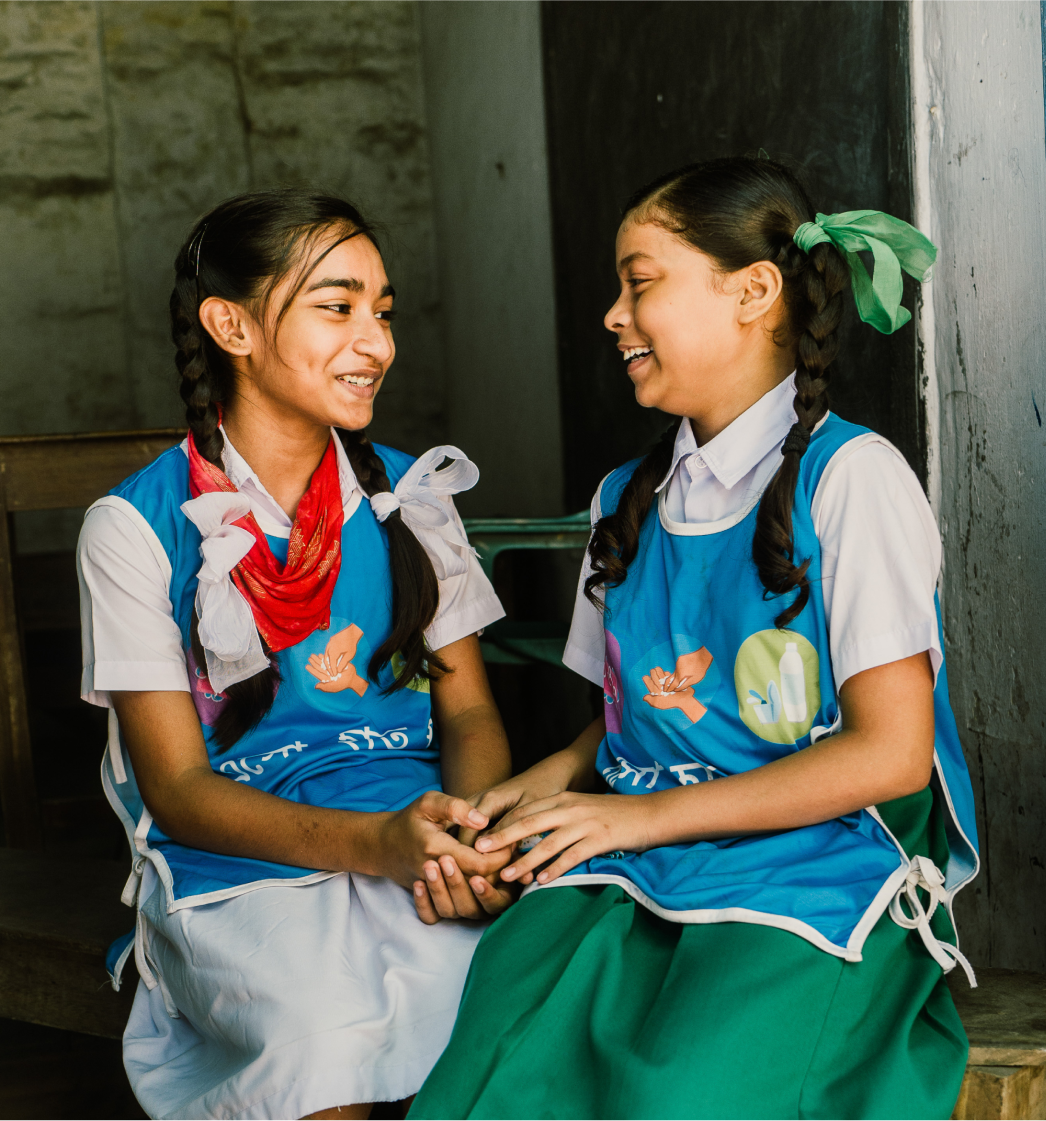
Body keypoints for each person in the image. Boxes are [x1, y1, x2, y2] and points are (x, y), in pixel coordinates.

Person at [409, 157, 980, 1121]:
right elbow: (624, 728)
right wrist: (523, 797)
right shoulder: (623, 503)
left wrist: (632, 819)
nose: (613, 315)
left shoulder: (852, 478)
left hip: (813, 869)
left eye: (640, 283)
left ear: (754, 292)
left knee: (678, 1093)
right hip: (644, 863)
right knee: (496, 1070)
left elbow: (890, 754)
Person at [78, 189, 516, 1121]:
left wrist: (466, 839)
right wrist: (377, 848)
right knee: (317, 1039)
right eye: (337, 305)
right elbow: (180, 793)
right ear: (230, 325)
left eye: (383, 311)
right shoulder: (135, 529)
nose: (377, 343)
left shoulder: (411, 495)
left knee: (514, 1002)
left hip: (420, 837)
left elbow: (468, 710)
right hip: (242, 870)